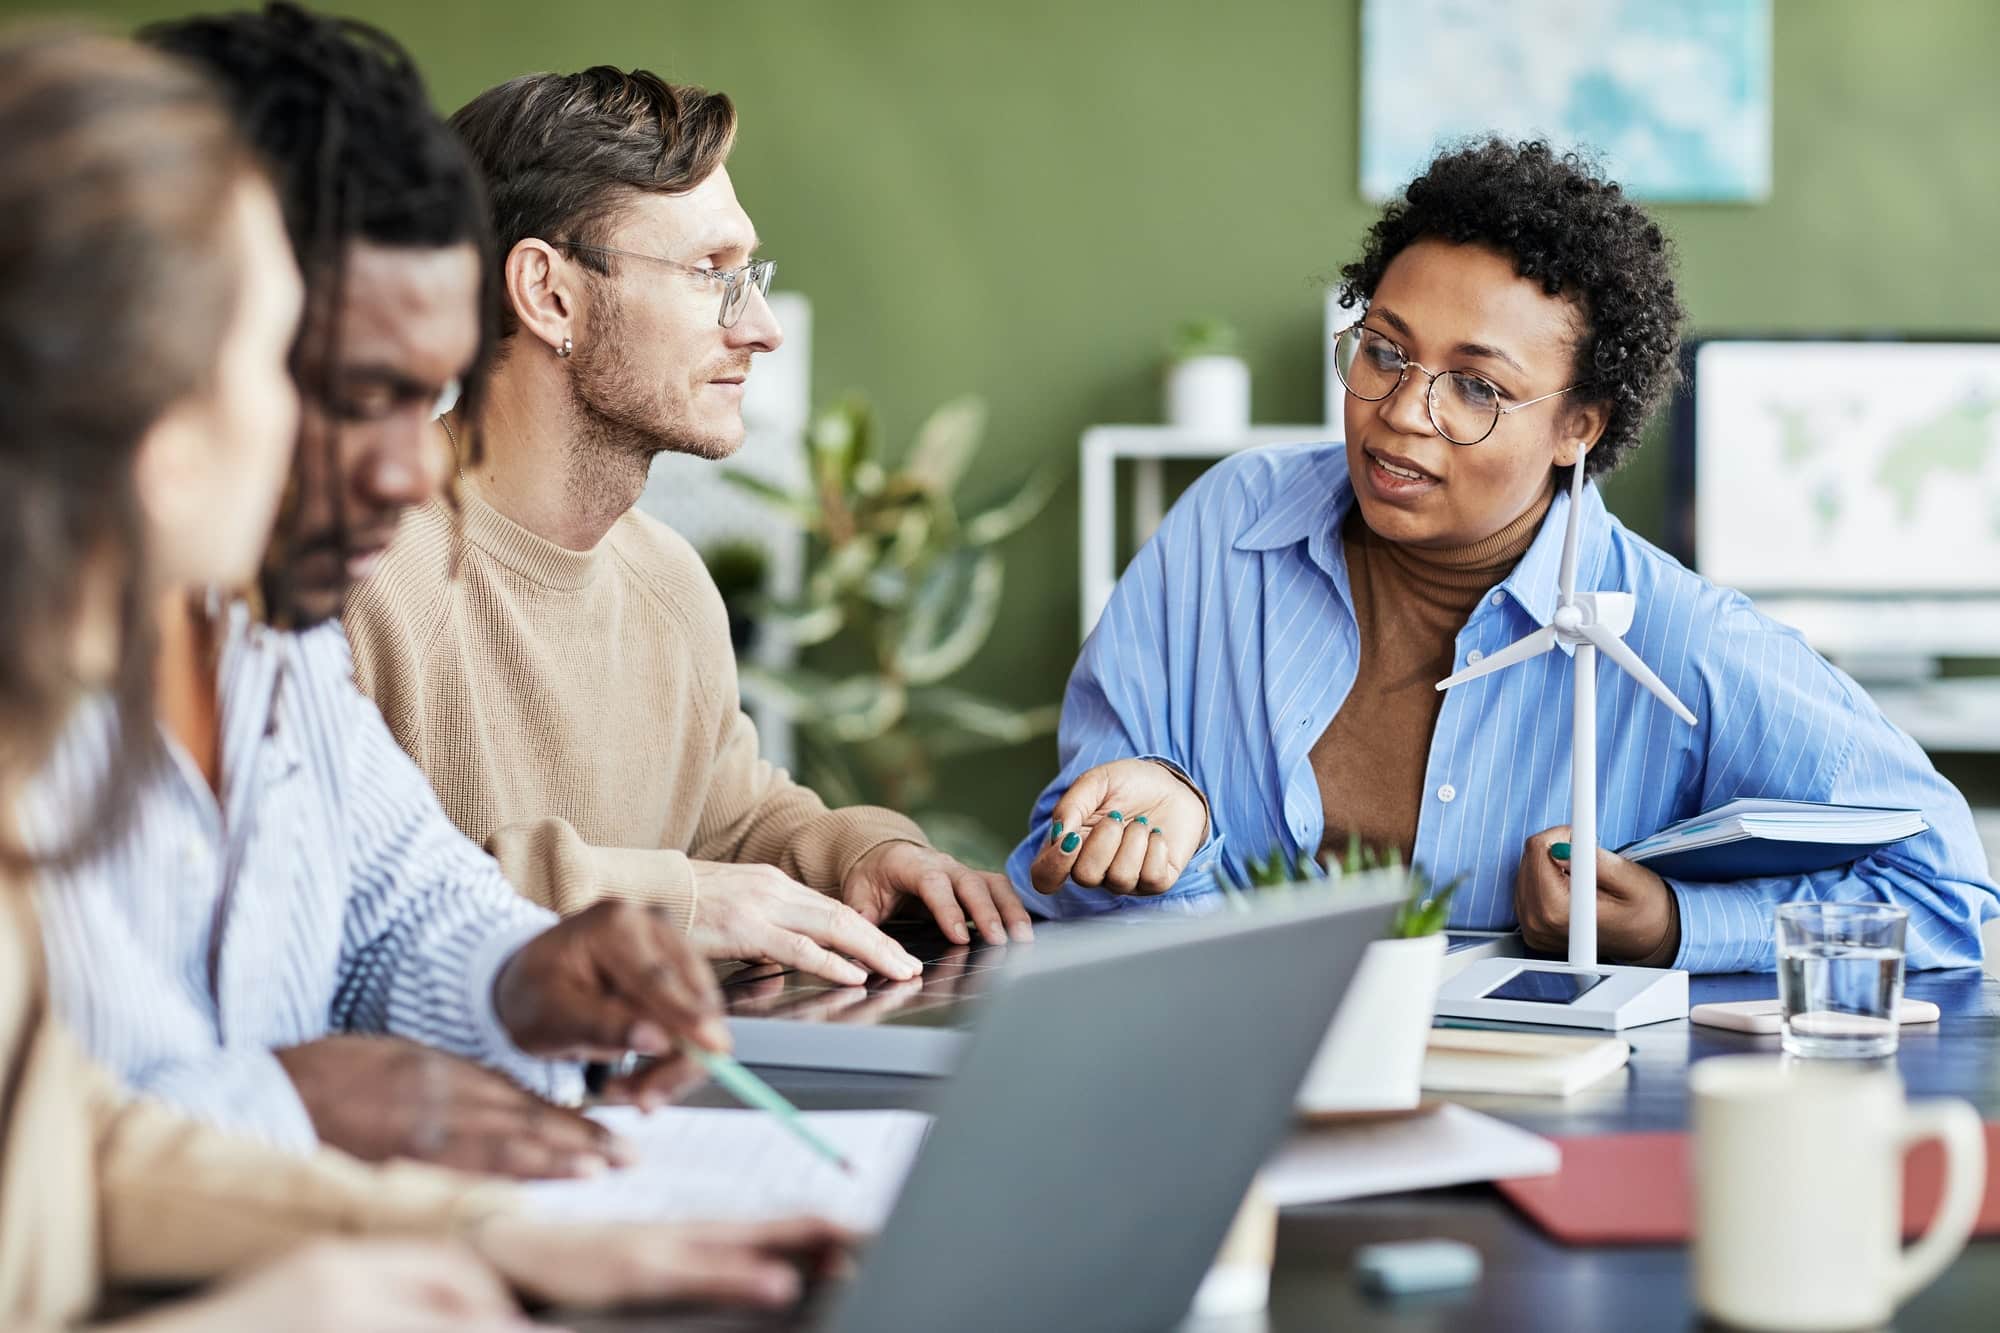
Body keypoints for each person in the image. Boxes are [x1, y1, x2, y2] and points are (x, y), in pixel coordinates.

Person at [0, 26, 842, 1329]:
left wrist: (526, 978)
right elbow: (65, 1153)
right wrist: (314, 1114)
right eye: (340, 389)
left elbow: (401, 901)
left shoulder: (264, 642)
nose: (410, 469)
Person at [1011, 139, 1997, 974]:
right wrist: (1163, 830)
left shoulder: (1678, 638)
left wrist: (1670, 925)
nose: (1400, 412)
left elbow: (1946, 892)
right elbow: (1063, 857)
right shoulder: (1228, 529)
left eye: (1475, 388)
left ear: (1578, 424)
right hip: (1210, 1084)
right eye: (1383, 351)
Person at [341, 64, 1034, 988]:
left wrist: (862, 853)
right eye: (711, 273)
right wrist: (681, 900)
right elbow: (342, 896)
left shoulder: (668, 581)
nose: (761, 328)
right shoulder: (351, 574)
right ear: (549, 295)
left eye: (748, 275)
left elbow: (733, 821)